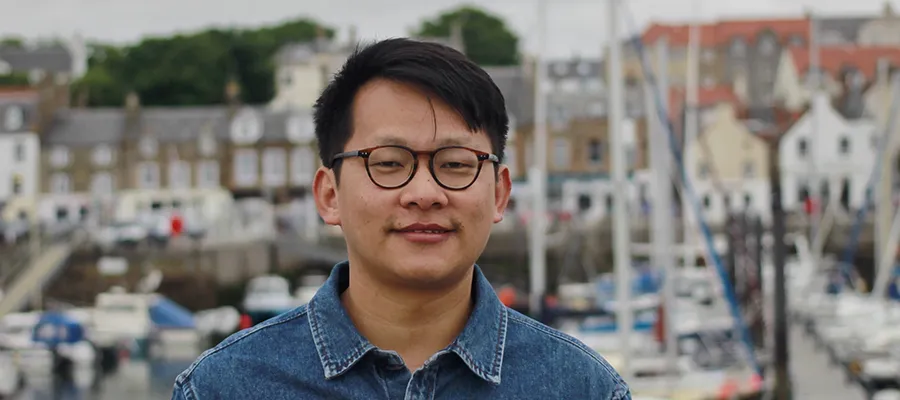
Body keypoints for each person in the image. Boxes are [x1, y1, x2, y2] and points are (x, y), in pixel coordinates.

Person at [172, 38, 630, 399]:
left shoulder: (584, 388)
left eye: (455, 163)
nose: (425, 193)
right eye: (388, 163)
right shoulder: (222, 387)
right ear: (329, 194)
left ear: (499, 193)